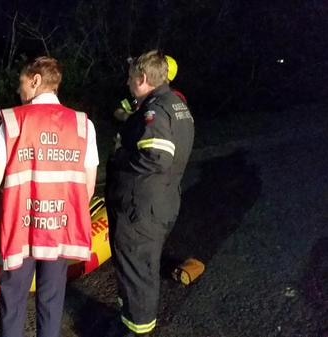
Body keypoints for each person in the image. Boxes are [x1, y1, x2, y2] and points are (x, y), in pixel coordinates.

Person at [0, 56, 99, 337]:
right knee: (51, 300)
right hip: (58, 229)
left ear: (35, 81)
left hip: (19, 231)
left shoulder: (13, 121)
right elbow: (88, 188)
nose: (18, 91)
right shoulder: (84, 125)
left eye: (21, 83)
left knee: (13, 301)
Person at [105, 50, 194, 337]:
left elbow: (156, 156)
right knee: (142, 268)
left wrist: (120, 156)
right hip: (161, 203)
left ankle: (136, 330)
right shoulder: (175, 104)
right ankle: (133, 320)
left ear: (142, 78)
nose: (127, 82)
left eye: (131, 78)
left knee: (137, 274)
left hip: (141, 209)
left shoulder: (155, 109)